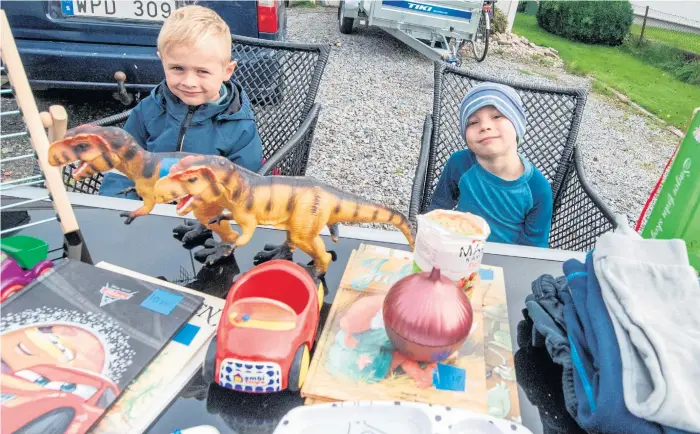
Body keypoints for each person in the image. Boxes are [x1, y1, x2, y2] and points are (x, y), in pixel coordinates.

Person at [99, 5, 263, 199]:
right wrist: (119, 205)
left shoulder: (239, 127)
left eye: (202, 71)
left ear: (227, 71)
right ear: (163, 61)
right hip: (148, 210)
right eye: (177, 68)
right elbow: (123, 165)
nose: (189, 82)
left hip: (205, 216)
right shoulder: (148, 110)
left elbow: (244, 189)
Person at [428, 82, 553, 247]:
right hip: (460, 251)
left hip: (507, 262)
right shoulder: (459, 163)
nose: (485, 126)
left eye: (497, 116)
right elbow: (438, 208)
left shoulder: (538, 188)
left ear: (517, 125)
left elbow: (535, 247)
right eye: (473, 122)